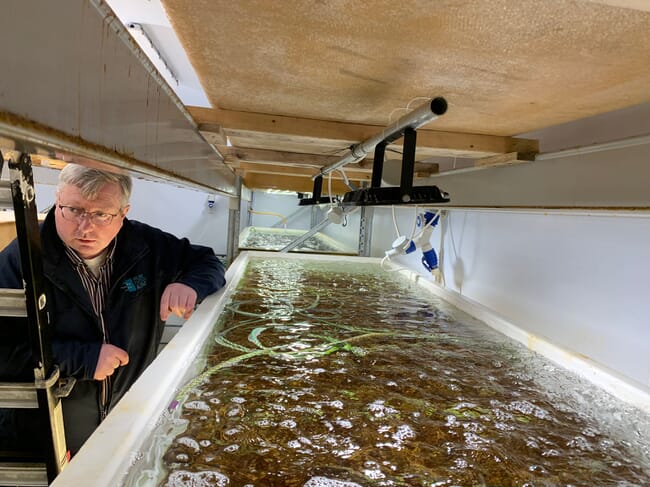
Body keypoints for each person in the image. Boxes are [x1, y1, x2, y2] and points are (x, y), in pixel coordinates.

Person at [0, 163, 226, 454]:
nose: (85, 226)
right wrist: (82, 358)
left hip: (127, 423)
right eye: (74, 210)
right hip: (48, 437)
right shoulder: (21, 259)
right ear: (58, 202)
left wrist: (191, 285)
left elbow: (208, 262)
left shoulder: (146, 246)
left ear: (123, 214)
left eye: (101, 214)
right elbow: (4, 353)